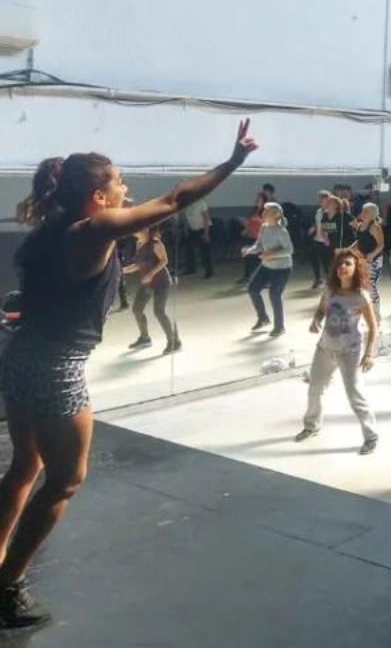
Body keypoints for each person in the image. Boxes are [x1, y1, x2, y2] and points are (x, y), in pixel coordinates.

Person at [0, 120, 257, 628]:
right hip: (55, 368)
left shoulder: (52, 230)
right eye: (119, 182)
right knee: (66, 480)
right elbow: (177, 198)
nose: (126, 188)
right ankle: (7, 589)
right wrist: (233, 161)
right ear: (98, 196)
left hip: (21, 355)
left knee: (25, 466)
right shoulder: (93, 229)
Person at [294, 250, 379, 455]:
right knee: (315, 388)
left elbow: (373, 327)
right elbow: (321, 310)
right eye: (340, 264)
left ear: (356, 268)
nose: (343, 267)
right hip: (324, 348)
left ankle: (371, 436)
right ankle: (311, 426)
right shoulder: (330, 290)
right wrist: (316, 320)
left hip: (349, 352)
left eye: (348, 264)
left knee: (355, 395)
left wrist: (369, 354)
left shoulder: (361, 296)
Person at [124, 224, 181, 354]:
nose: (134, 232)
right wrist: (121, 271)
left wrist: (151, 274)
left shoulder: (155, 243)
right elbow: (138, 265)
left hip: (161, 282)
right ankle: (145, 338)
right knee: (137, 309)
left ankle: (174, 342)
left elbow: (164, 261)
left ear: (145, 230)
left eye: (137, 229)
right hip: (147, 283)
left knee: (159, 312)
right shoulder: (139, 244)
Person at [243, 202, 294, 337]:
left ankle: (279, 326)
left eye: (267, 211)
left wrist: (271, 254)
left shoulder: (281, 231)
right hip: (267, 266)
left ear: (276, 214)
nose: (263, 213)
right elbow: (259, 245)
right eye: (264, 211)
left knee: (274, 294)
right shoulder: (264, 227)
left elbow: (289, 250)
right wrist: (250, 250)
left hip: (282, 268)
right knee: (253, 289)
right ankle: (263, 318)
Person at [351, 203, 385, 319]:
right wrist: (348, 249)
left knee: (371, 286)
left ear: (372, 214)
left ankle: (376, 315)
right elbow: (359, 241)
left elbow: (381, 244)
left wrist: (372, 254)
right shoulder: (360, 226)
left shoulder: (374, 227)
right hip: (363, 260)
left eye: (366, 212)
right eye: (363, 211)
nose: (363, 214)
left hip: (374, 261)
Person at [237, 192, 267, 285]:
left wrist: (259, 220)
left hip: (261, 238)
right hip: (251, 237)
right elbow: (250, 223)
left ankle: (264, 280)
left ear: (264, 201)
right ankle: (247, 277)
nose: (256, 200)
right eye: (256, 199)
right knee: (248, 257)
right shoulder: (255, 210)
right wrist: (246, 230)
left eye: (259, 199)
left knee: (260, 260)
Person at [180, 197, 213, 279]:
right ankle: (191, 269)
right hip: (192, 230)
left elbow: (206, 218)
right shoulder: (186, 205)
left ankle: (209, 271)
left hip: (203, 229)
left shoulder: (201, 202)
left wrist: (206, 233)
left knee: (205, 251)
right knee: (189, 249)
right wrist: (186, 231)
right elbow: (187, 218)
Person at [308, 189, 332, 290]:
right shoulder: (318, 211)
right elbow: (317, 222)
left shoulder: (330, 211)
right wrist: (313, 227)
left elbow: (330, 227)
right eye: (319, 199)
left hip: (325, 241)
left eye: (322, 199)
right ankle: (317, 279)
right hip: (316, 239)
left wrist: (326, 238)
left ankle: (330, 282)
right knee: (313, 260)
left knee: (326, 263)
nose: (320, 201)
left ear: (327, 200)